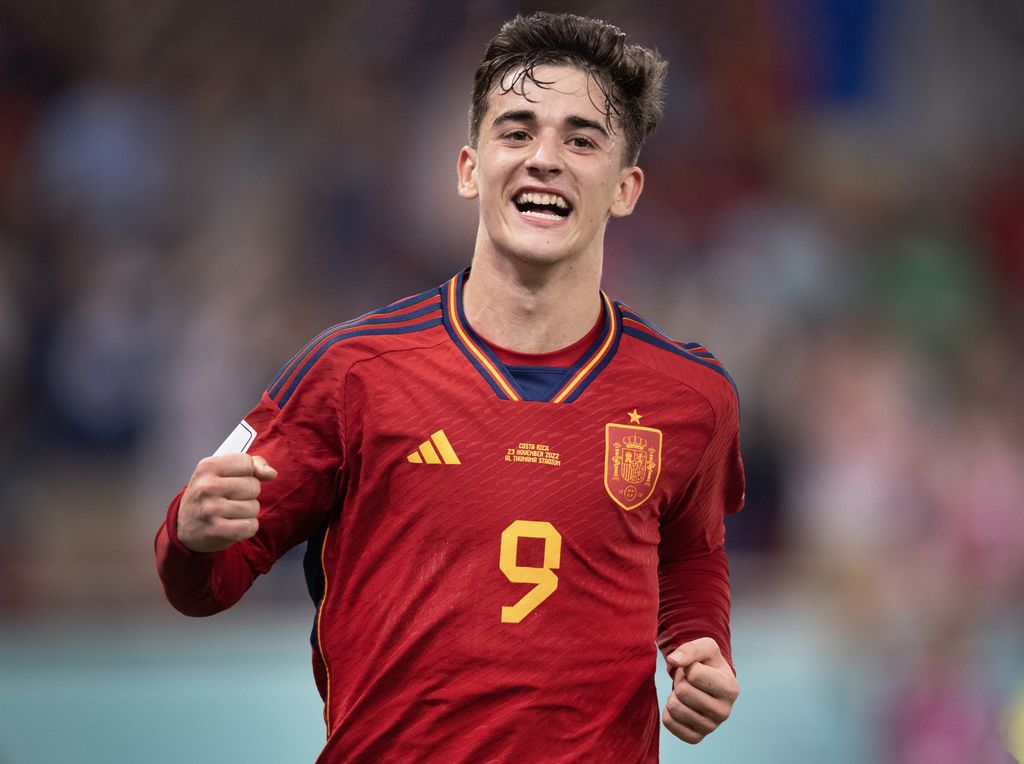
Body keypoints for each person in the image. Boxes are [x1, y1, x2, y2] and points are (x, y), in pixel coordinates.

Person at [155, 11, 744, 762]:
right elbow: (204, 585)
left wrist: (702, 647)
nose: (545, 158)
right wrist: (191, 533)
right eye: (517, 131)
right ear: (470, 168)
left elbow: (693, 551)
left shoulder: (690, 396)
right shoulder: (349, 373)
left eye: (581, 139)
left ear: (625, 188)